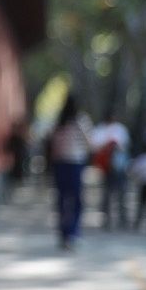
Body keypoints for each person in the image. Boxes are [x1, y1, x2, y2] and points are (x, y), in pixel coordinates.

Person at [50, 93, 93, 250]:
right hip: (76, 163)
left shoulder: (59, 121)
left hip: (60, 163)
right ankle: (73, 233)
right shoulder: (82, 120)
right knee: (76, 200)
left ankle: (64, 233)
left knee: (62, 199)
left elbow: (53, 143)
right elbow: (90, 142)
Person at [91, 110, 130, 230]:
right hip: (106, 166)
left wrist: (116, 146)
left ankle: (123, 218)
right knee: (107, 192)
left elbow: (125, 145)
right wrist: (107, 146)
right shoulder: (100, 129)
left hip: (119, 165)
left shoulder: (120, 129)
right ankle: (106, 219)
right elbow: (94, 146)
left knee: (122, 191)